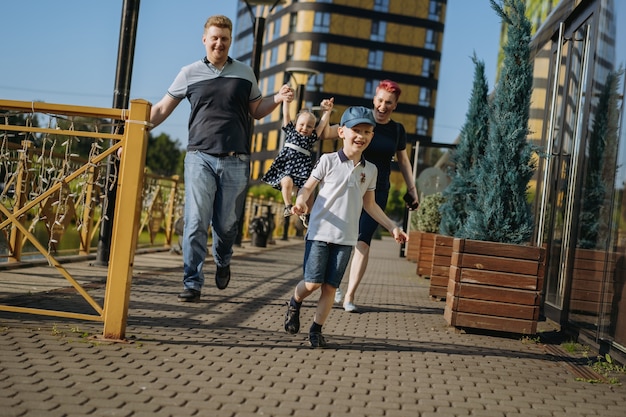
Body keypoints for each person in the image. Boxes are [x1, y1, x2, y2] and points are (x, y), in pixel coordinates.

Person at [149, 15, 294, 302]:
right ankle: (192, 281)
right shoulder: (188, 72)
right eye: (214, 37)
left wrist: (277, 99)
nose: (219, 42)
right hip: (199, 157)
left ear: (230, 41)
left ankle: (223, 259)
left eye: (224, 38)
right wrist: (135, 130)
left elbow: (256, 109)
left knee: (227, 226)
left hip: (236, 159)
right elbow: (162, 109)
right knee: (194, 222)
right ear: (205, 39)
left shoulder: (245, 73)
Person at [284, 106, 408, 348]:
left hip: (346, 239)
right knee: (312, 283)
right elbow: (308, 187)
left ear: (372, 136)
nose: (361, 136)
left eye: (367, 131)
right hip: (320, 232)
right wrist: (300, 200)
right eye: (356, 130)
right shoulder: (328, 161)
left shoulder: (370, 170)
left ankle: (316, 330)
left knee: (331, 287)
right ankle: (295, 302)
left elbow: (370, 205)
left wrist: (392, 226)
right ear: (341, 132)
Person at [333, 80, 419, 312]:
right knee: (340, 238)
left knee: (363, 240)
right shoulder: (361, 121)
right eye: (380, 100)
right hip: (349, 186)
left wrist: (412, 190)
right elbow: (332, 133)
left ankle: (350, 296)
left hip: (377, 190)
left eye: (388, 102)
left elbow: (403, 161)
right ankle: (334, 285)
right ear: (374, 99)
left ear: (395, 105)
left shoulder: (397, 130)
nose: (383, 106)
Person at [261, 97, 334, 219]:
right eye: (302, 125)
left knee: (308, 191)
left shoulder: (312, 137)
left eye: (309, 126)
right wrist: (286, 102)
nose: (305, 128)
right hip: (287, 167)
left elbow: (321, 124)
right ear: (295, 125)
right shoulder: (291, 131)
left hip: (302, 170)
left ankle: (307, 214)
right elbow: (286, 114)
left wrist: (327, 112)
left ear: (313, 129)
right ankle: (288, 206)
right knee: (286, 182)